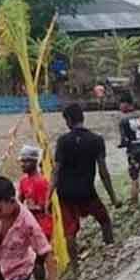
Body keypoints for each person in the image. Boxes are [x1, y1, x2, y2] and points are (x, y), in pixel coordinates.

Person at [52, 103, 120, 271]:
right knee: (104, 220)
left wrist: (48, 196)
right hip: (87, 192)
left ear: (68, 120)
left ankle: (75, 268)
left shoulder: (62, 141)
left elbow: (56, 171)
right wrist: (113, 197)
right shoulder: (96, 140)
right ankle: (109, 248)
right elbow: (103, 172)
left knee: (70, 232)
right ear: (82, 117)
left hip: (65, 193)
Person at [17, 144, 53, 280]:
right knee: (31, 259)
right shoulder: (23, 181)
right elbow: (19, 201)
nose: (23, 165)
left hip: (43, 224)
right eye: (22, 161)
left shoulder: (42, 182)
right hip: (30, 225)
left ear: (34, 162)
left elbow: (46, 207)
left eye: (26, 161)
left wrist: (30, 208)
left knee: (36, 260)